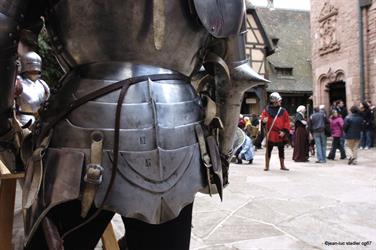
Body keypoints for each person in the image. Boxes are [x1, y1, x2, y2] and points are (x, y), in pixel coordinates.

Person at [0, 1, 267, 249]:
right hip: (178, 129)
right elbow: (234, 74)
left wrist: (4, 131)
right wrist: (222, 152)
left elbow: (4, 26)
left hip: (79, 126)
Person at [14, 51, 50, 126]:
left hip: (41, 121)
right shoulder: (17, 82)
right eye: (32, 68)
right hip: (22, 121)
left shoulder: (43, 84)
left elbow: (48, 102)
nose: (35, 70)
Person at [261, 92, 290, 171]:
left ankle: (282, 165)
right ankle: (267, 166)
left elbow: (286, 121)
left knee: (281, 149)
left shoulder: (283, 111)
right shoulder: (266, 110)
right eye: (279, 100)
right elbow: (263, 118)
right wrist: (263, 120)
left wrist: (284, 131)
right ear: (275, 101)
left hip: (280, 133)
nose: (280, 102)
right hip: (270, 133)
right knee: (268, 150)